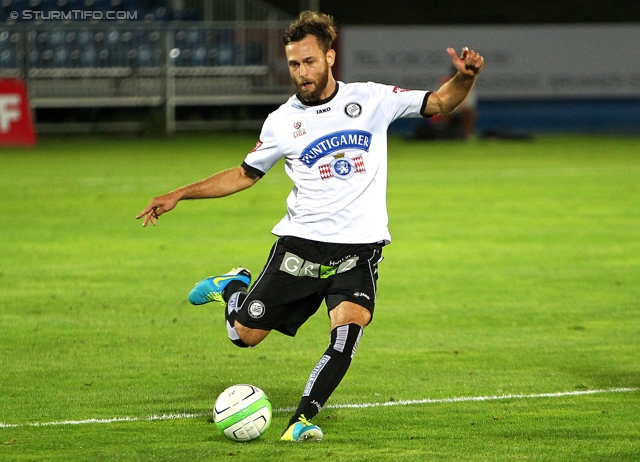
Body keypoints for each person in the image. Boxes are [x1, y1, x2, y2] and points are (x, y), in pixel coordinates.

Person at [137, 11, 483, 442]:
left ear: (330, 57)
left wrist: (464, 77)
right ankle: (231, 287)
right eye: (294, 64)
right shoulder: (282, 121)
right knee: (243, 336)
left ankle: (303, 420)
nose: (302, 72)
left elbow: (442, 102)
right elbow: (245, 173)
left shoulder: (371, 99)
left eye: (309, 61)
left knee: (348, 331)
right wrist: (179, 194)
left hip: (359, 249)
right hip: (300, 248)